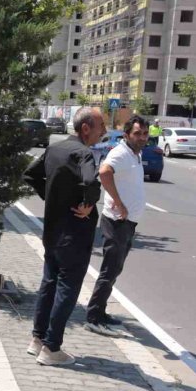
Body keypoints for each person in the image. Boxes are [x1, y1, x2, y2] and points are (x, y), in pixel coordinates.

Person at [23, 107, 106, 366]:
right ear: (85, 128)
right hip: (75, 233)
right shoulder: (83, 153)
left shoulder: (56, 148)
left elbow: (30, 174)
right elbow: (93, 182)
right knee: (67, 288)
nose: (104, 132)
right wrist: (88, 204)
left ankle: (37, 339)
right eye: (101, 126)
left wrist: (51, 197)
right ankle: (51, 348)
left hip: (53, 229)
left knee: (49, 283)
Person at [83, 115, 149, 336]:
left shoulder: (135, 154)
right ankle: (93, 317)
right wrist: (119, 203)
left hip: (127, 223)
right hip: (116, 221)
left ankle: (100, 312)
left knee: (114, 270)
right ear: (127, 134)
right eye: (137, 133)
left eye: (145, 133)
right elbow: (104, 172)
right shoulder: (121, 153)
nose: (141, 137)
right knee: (109, 269)